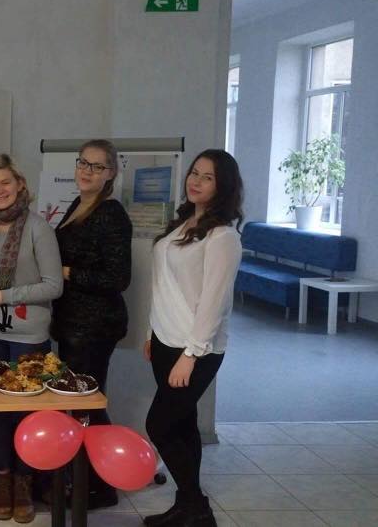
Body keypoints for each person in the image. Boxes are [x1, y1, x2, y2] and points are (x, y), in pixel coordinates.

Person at [143, 150, 244, 527]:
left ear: (223, 186)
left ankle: (197, 507)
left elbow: (214, 302)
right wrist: (151, 332)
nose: (196, 181)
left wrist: (191, 355)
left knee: (159, 425)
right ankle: (186, 507)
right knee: (183, 424)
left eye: (208, 177)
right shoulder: (183, 223)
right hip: (165, 340)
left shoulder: (223, 237)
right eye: (194, 173)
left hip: (194, 348)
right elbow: (164, 285)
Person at [0, 154, 63, 523]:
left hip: (29, 336)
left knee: (27, 412)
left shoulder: (39, 228)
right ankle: (3, 481)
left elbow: (53, 286)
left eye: (5, 182)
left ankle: (24, 484)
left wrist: (5, 296)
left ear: (19, 184)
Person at [51, 139, 132, 509]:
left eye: (97, 166)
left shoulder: (111, 213)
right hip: (73, 324)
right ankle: (90, 481)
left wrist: (67, 272)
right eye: (83, 162)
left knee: (87, 406)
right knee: (83, 404)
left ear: (110, 173)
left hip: (94, 327)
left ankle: (99, 486)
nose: (86, 170)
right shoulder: (79, 204)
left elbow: (118, 278)